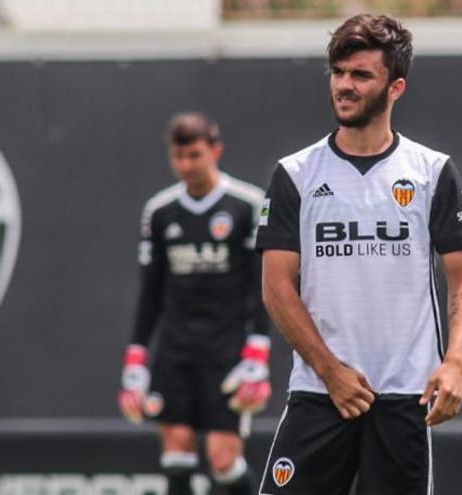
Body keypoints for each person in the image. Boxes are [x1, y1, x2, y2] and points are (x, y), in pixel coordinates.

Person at [255, 14, 462, 495]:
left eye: (361, 75)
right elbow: (276, 286)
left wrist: (456, 363)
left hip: (403, 398)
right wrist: (330, 370)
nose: (344, 85)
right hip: (321, 394)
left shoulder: (431, 171)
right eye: (338, 73)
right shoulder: (295, 173)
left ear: (395, 87)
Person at [118, 112, 271, 495]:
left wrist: (258, 355)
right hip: (176, 351)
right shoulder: (160, 212)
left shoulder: (246, 205)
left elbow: (263, 287)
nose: (186, 165)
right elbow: (150, 292)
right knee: (177, 453)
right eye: (179, 156)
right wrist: (136, 360)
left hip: (226, 351)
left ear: (215, 151)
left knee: (223, 460)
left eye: (195, 155)